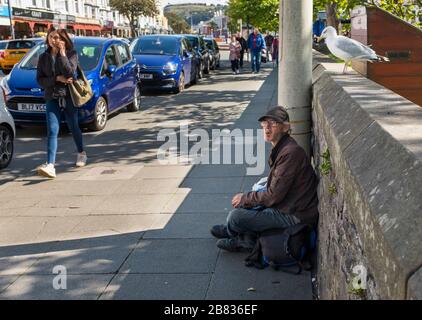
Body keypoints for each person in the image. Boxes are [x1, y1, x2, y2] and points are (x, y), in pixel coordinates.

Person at [210, 107, 319, 252]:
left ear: (285, 127)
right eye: (264, 124)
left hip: (294, 214)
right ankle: (240, 234)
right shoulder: (282, 147)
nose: (267, 128)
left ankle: (237, 235)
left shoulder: (290, 153)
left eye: (273, 124)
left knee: (236, 216)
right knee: (249, 203)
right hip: (286, 205)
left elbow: (273, 196)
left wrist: (245, 198)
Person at [36, 27, 87, 179]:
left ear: (64, 40)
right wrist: (57, 79)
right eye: (51, 37)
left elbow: (70, 73)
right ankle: (50, 165)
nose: (54, 40)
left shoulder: (72, 54)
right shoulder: (43, 57)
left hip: (68, 96)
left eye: (57, 37)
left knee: (73, 125)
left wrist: (63, 54)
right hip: (52, 96)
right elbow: (39, 80)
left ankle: (81, 153)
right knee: (52, 130)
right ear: (48, 39)